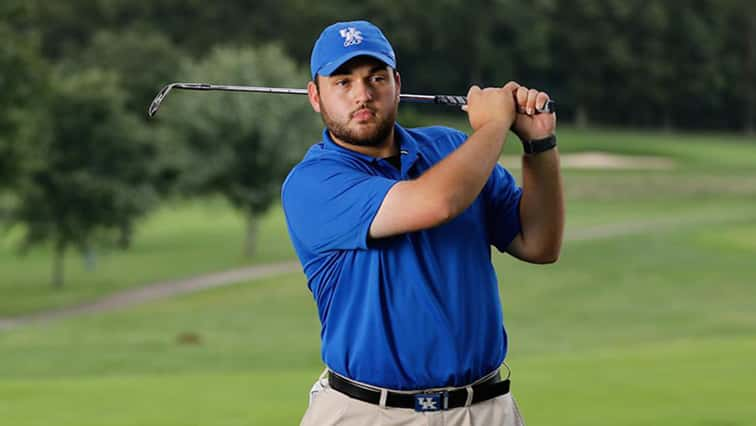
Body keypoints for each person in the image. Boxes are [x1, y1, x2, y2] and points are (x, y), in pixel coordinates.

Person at [281, 19, 564, 426]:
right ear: (315, 95)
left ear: (397, 83)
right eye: (343, 81)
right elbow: (438, 202)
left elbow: (539, 244)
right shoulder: (312, 183)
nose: (362, 94)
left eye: (376, 77)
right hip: (368, 414)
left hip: (484, 410)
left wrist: (539, 144)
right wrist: (495, 124)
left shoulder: (451, 148)